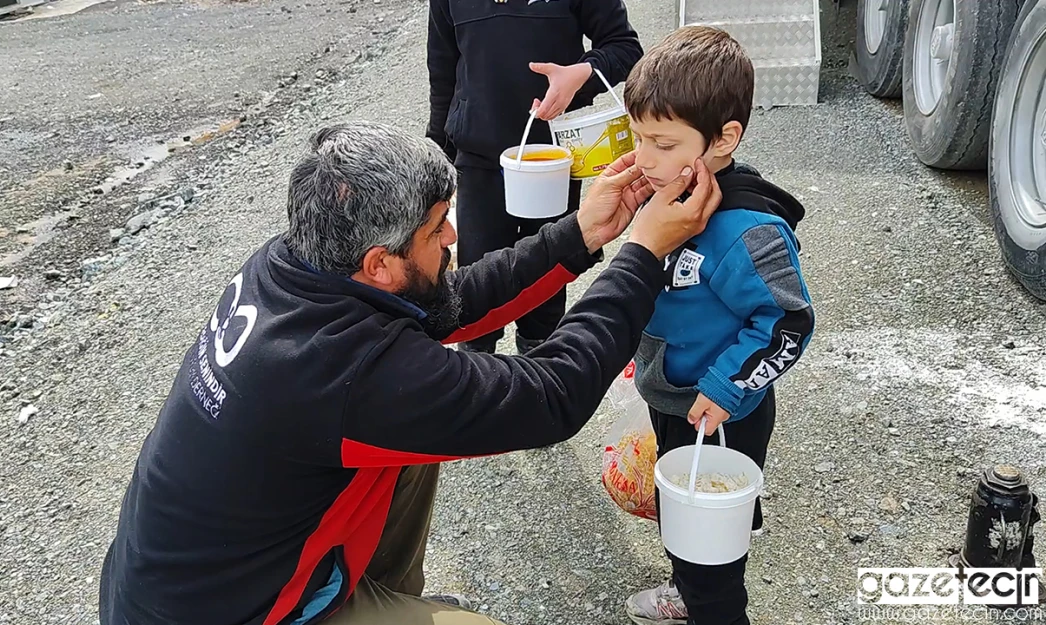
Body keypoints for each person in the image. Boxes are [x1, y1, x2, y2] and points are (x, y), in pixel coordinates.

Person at [98, 120, 723, 625]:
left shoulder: (295, 262)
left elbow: (445, 301)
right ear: (378, 264)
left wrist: (582, 233)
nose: (453, 233)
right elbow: (554, 396)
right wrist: (642, 253)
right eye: (436, 227)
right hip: (238, 611)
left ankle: (382, 595)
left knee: (411, 446)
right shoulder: (344, 373)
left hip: (186, 576)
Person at [618, 27, 816, 625]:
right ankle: (689, 585)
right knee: (682, 511)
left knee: (712, 549)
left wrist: (729, 387)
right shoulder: (668, 199)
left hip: (719, 406)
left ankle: (710, 605)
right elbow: (671, 295)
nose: (642, 158)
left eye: (662, 142)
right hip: (673, 392)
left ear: (724, 138)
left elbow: (786, 320)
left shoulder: (745, 232)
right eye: (636, 136)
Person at [426, 0, 643, 355]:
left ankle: (539, 368)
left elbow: (625, 48)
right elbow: (443, 69)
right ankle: (474, 378)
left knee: (547, 281)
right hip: (479, 158)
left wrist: (582, 75)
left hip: (552, 159)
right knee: (472, 292)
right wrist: (437, 155)